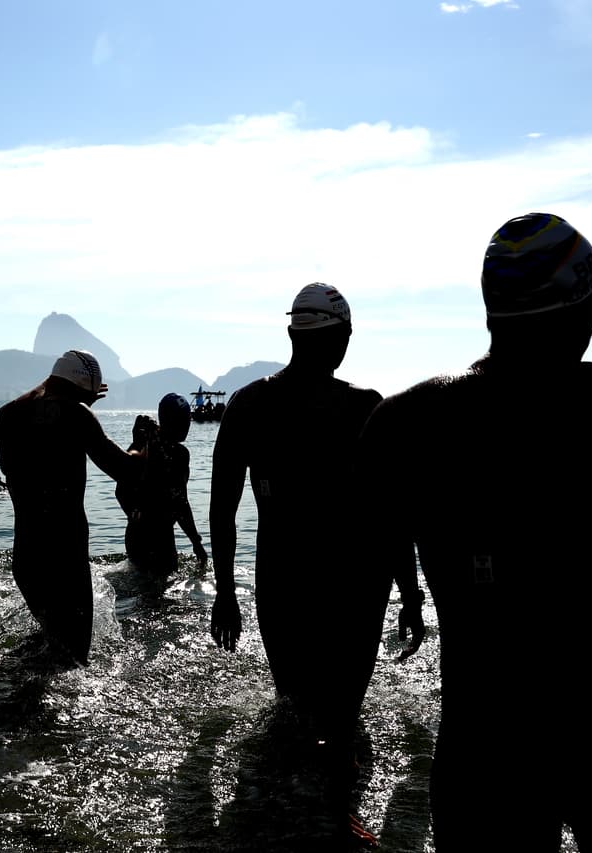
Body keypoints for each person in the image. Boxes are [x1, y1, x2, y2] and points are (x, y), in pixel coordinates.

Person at [357, 213, 592, 850]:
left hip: (484, 745)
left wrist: (337, 779)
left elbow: (351, 576)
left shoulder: (406, 425)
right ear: (585, 310)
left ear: (491, 314)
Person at [208, 284, 423, 844]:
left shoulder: (250, 404)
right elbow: (395, 514)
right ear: (343, 337)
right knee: (341, 715)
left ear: (291, 334)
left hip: (283, 579)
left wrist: (226, 591)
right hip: (357, 582)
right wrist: (412, 592)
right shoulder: (365, 407)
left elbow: (222, 507)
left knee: (296, 707)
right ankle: (334, 817)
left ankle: (284, 814)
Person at [0, 349, 141, 665]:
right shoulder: (77, 415)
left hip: (27, 557)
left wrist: (80, 402)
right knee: (74, 660)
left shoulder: (7, 415)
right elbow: (125, 470)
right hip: (65, 555)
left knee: (52, 644)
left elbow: (17, 471)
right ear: (83, 387)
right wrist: (142, 444)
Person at [116, 393, 207, 575]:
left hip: (158, 532)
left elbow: (180, 501)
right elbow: (121, 490)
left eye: (187, 419)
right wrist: (137, 518)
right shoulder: (146, 447)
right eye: (182, 421)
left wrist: (196, 542)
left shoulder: (180, 453)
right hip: (146, 533)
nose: (187, 426)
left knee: (156, 588)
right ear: (167, 421)